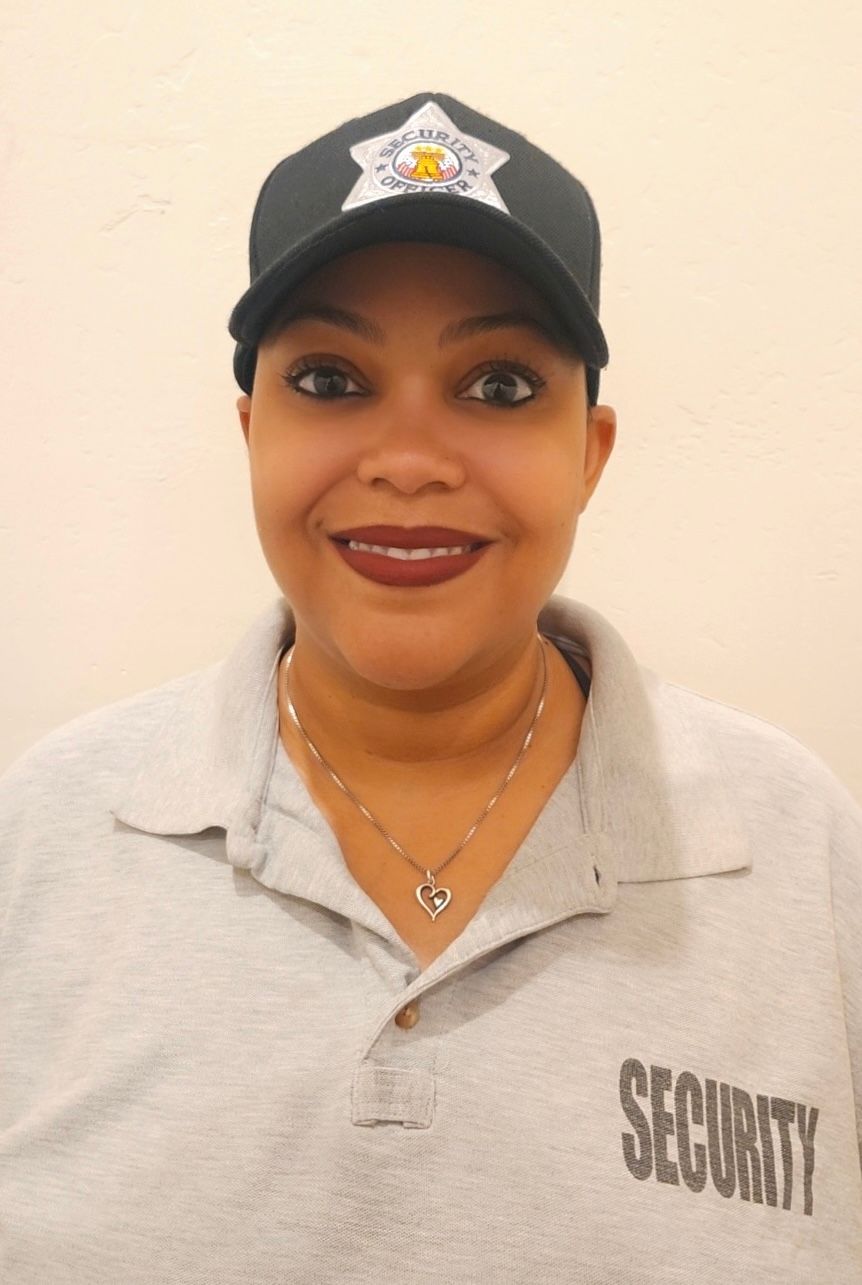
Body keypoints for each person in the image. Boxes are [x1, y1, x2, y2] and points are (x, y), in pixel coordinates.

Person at [0, 91, 860, 1283]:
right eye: (332, 381)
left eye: (499, 384)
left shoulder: (799, 851)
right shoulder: (44, 838)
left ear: (589, 452)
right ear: (251, 430)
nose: (407, 460)